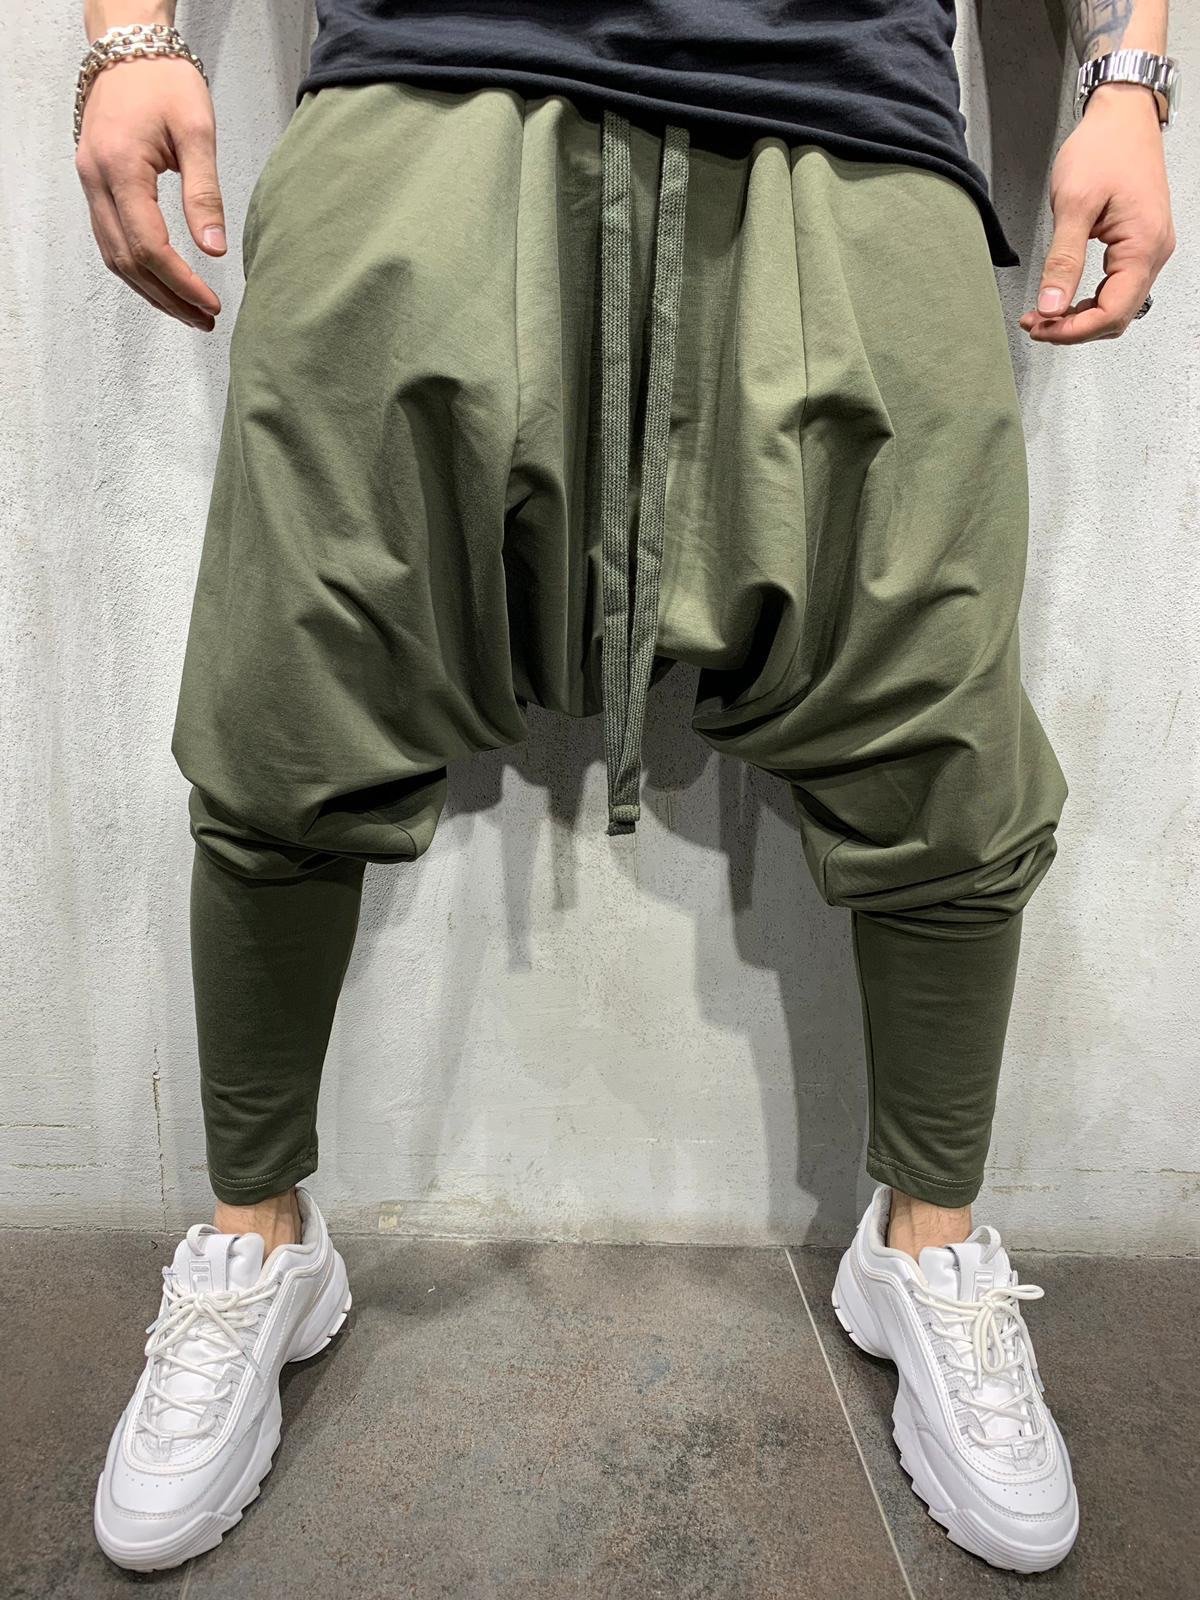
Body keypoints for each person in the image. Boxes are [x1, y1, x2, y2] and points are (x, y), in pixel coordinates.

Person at [74, 0, 1177, 1578]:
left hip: (851, 118)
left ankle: (924, 1248)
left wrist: (1129, 73)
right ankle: (260, 1242)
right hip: (427, 79)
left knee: (940, 734)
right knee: (288, 702)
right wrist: (128, 36)